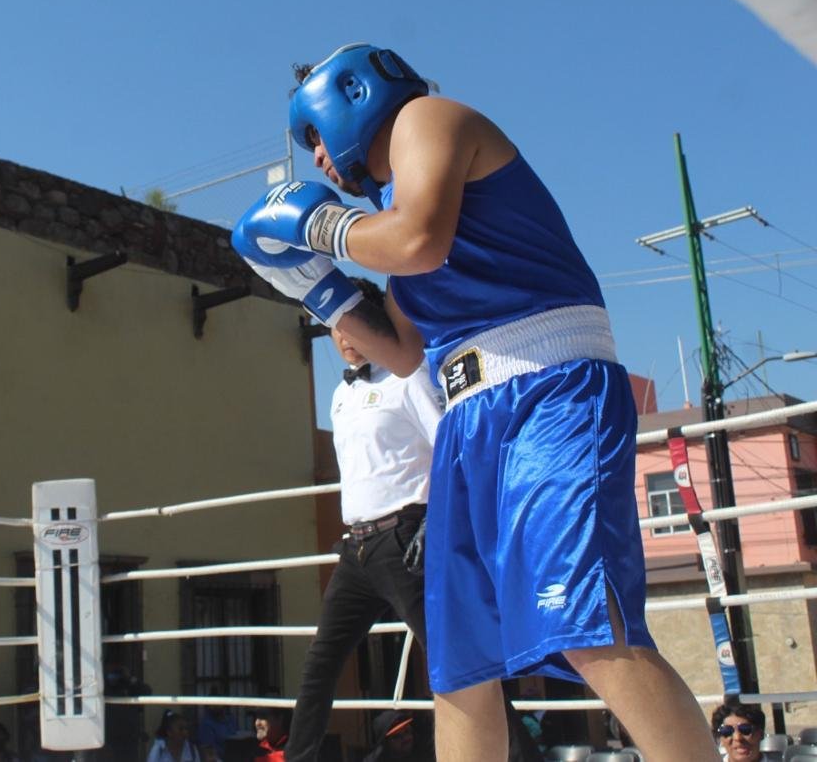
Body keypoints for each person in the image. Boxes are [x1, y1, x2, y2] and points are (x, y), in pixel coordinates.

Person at [232, 43, 717, 762]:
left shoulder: (429, 120)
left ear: (352, 96)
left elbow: (419, 242)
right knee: (461, 670)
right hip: (468, 423)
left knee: (589, 631)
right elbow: (403, 352)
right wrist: (317, 290)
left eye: (315, 138)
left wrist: (318, 226)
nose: (320, 161)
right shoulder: (397, 215)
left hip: (548, 391)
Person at [280, 277, 537, 762]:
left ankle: (524, 756)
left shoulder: (407, 376)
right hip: (355, 549)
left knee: (457, 657)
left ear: (375, 323)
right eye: (336, 327)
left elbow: (450, 449)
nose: (345, 337)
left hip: (405, 541)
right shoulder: (340, 395)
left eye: (353, 324)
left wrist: (435, 521)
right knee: (320, 663)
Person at [360, 710, 430, 762]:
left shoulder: (424, 751)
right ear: (385, 743)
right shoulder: (375, 760)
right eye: (397, 736)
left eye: (407, 731)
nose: (405, 738)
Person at [194, 684, 239, 762]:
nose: (215, 706)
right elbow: (209, 751)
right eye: (212, 704)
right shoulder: (206, 724)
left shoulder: (230, 719)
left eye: (218, 703)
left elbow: (238, 736)